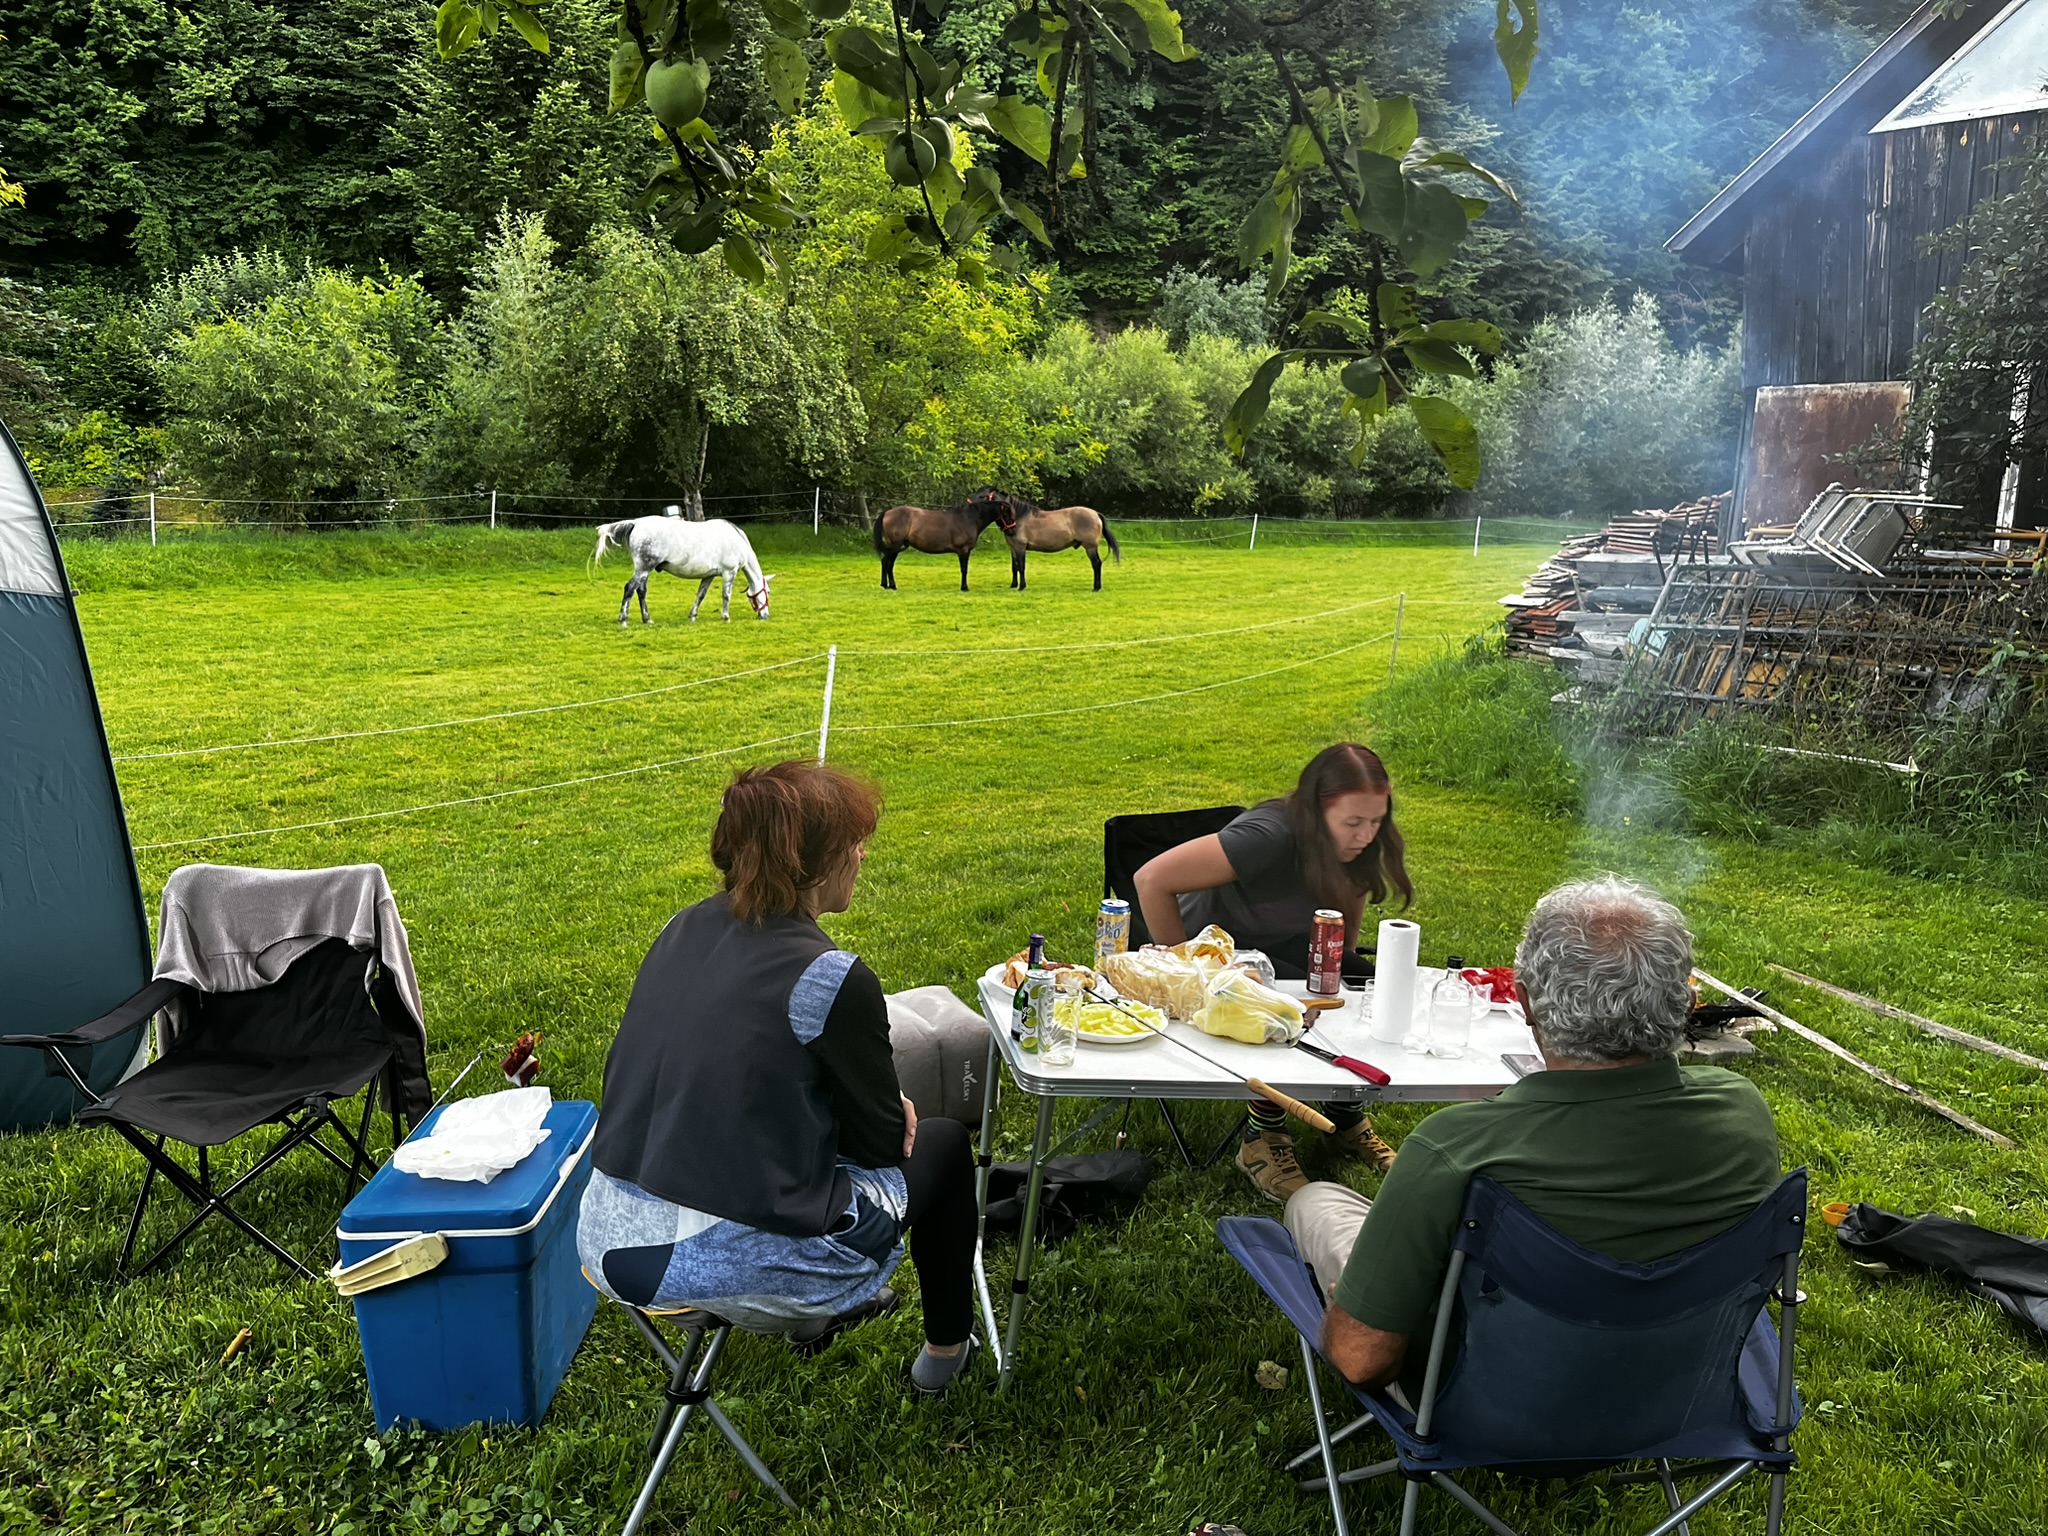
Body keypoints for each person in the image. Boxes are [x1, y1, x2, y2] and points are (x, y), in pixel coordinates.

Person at [1285, 876, 1782, 1396]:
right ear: (1685, 1003)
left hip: (1487, 1405)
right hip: (1678, 1393)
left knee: (1316, 1201)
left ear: (1524, 1001)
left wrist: (1357, 1307)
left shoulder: (1456, 1146)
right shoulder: (1742, 1110)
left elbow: (1362, 1360)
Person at [578, 760, 980, 1395]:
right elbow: (879, 1145)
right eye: (854, 843)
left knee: (806, 1135)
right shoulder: (832, 975)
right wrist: (887, 1105)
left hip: (604, 1232)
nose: (862, 857)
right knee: (946, 1148)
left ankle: (819, 1320)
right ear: (813, 865)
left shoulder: (678, 928)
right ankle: (945, 1357)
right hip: (709, 1266)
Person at [1132, 743, 1412, 1199]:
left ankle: (1343, 1112)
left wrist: (1335, 985)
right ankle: (1261, 1138)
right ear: (1315, 813)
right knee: (1278, 1010)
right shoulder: (1268, 835)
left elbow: (1339, 940)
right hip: (1218, 952)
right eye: (1353, 823)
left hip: (1282, 949)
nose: (1367, 835)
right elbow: (1151, 879)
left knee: (1354, 990)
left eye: (1377, 821)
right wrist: (1186, 971)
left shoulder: (1356, 847)